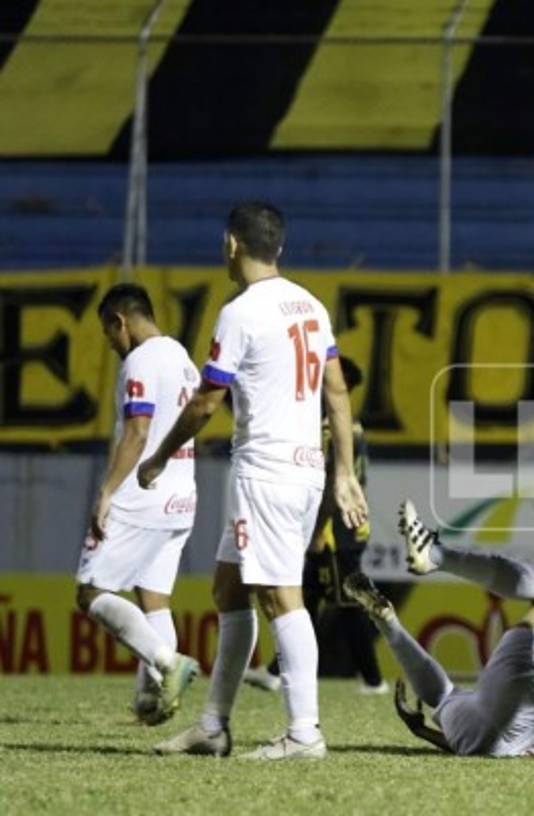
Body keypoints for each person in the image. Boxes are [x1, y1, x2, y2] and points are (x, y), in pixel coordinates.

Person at [140, 202, 368, 761]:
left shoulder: (240, 312)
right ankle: (214, 726)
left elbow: (206, 402)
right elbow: (336, 391)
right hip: (303, 470)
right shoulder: (311, 306)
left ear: (231, 244)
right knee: (229, 587)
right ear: (279, 247)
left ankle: (305, 732)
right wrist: (342, 472)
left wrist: (160, 455)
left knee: (280, 595)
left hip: (265, 472)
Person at [338, 500, 534, 758]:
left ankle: (437, 555)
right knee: (444, 696)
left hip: (529, 708)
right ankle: (386, 620)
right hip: (484, 742)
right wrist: (424, 732)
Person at [75, 283, 201, 725]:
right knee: (155, 600)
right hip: (182, 493)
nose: (110, 343)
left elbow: (138, 432)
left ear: (119, 322)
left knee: (91, 592)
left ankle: (168, 664)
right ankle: (152, 702)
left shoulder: (141, 361)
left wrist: (107, 491)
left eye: (108, 333)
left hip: (141, 495)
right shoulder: (181, 357)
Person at [244, 356, 386, 696]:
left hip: (336, 534)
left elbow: (329, 486)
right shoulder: (352, 428)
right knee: (305, 600)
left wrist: (318, 532)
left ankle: (373, 679)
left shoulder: (330, 430)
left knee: (347, 606)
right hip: (345, 531)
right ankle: (277, 671)